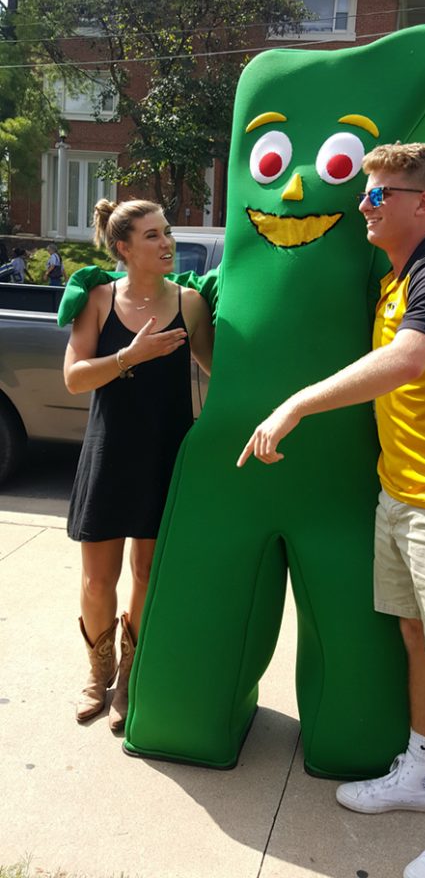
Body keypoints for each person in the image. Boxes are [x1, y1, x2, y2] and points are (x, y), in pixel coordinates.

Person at [237, 143, 425, 878]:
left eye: (376, 196)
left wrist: (296, 404)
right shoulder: (393, 278)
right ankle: (422, 774)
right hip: (401, 494)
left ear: (421, 203)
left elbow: (407, 360)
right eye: (364, 196)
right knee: (417, 641)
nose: (362, 206)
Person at [64, 198, 213, 733]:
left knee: (148, 573)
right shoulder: (98, 301)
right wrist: (132, 355)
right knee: (97, 580)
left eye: (167, 231)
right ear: (123, 248)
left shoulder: (190, 303)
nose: (166, 242)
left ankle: (131, 673)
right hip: (108, 455)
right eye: (152, 235)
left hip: (164, 456)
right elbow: (75, 378)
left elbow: (220, 370)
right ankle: (96, 674)